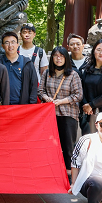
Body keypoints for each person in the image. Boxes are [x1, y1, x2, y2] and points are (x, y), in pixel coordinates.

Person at [38, 46, 83, 176]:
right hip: (50, 114)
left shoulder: (73, 74)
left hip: (68, 114)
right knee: (49, 145)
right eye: (56, 56)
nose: (58, 59)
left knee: (68, 146)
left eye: (61, 56)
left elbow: (78, 95)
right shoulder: (47, 73)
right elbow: (40, 91)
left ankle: (69, 176)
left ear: (66, 58)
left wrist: (61, 101)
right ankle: (51, 173)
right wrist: (47, 98)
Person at [0, 31, 38, 104]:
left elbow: (33, 86)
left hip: (22, 106)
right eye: (7, 43)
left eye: (13, 42)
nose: (10, 45)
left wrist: (32, 105)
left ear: (17, 44)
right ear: (2, 46)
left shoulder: (27, 63)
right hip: (2, 106)